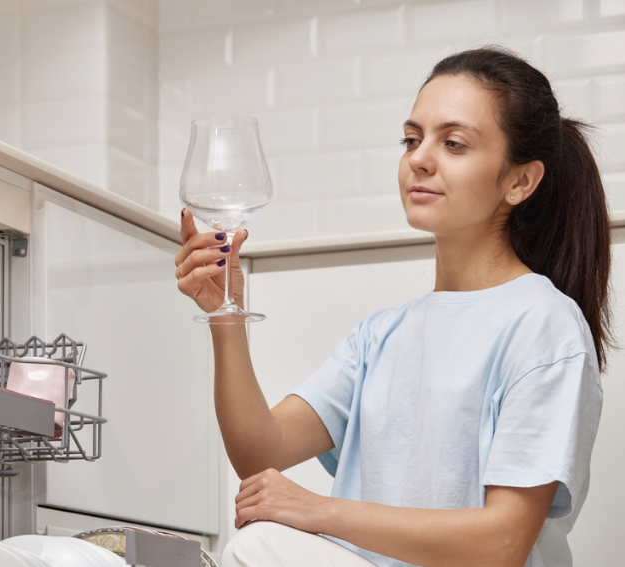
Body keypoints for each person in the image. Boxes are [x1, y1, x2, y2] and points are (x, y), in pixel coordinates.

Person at [174, 47, 609, 567]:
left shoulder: (543, 324)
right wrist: (225, 314)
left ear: (520, 181)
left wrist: (317, 510)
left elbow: (502, 543)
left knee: (257, 545)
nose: (419, 158)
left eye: (453, 143)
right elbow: (260, 453)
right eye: (411, 139)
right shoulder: (381, 335)